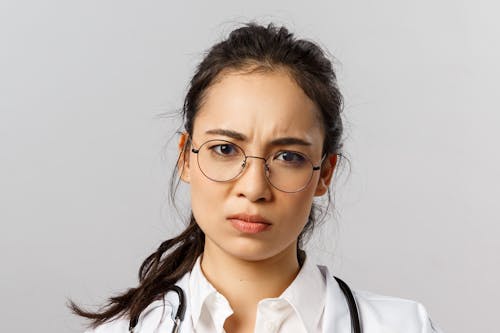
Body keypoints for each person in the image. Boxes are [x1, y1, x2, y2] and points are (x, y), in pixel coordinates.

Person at [70, 22, 443, 333]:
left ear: (324, 173)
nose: (253, 188)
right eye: (225, 149)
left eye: (288, 157)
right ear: (185, 156)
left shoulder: (403, 326)